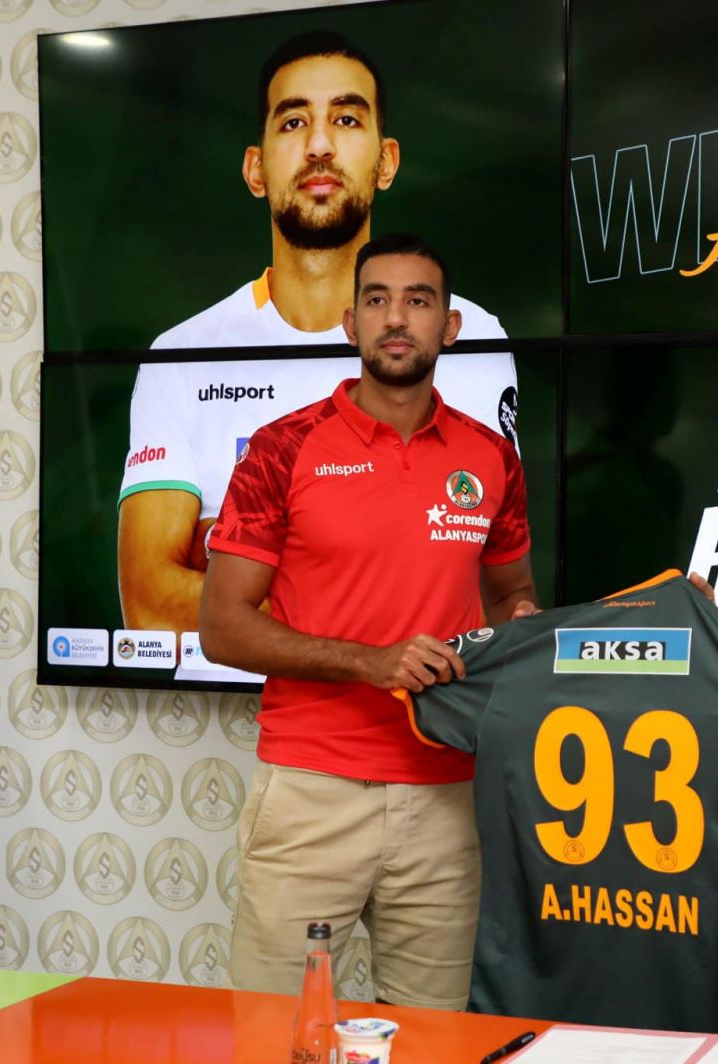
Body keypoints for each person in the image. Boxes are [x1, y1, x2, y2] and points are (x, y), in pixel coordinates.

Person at [197, 234, 538, 1006]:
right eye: (377, 300)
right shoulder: (282, 450)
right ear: (350, 323)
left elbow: (511, 595)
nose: (396, 318)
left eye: (418, 301)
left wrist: (528, 624)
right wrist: (370, 662)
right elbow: (222, 627)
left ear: (450, 327)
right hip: (311, 789)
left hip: (448, 792)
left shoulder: (492, 457)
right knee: (273, 1039)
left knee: (434, 1041)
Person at [119, 31, 517, 646]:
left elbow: (477, 584)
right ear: (256, 169)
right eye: (294, 121)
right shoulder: (179, 354)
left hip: (419, 702)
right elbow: (148, 603)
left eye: (347, 119)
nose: (321, 144)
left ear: (386, 161)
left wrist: (235, 567)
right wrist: (363, 582)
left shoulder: (469, 336)